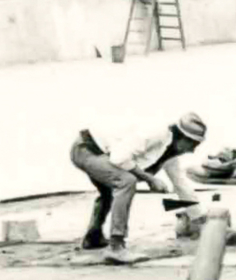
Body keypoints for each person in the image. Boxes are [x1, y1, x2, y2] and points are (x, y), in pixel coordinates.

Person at [70, 112, 207, 263]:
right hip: (86, 148)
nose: (192, 151)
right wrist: (150, 179)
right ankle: (116, 248)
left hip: (99, 152)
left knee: (112, 189)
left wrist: (199, 219)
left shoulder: (169, 151)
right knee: (126, 181)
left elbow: (181, 184)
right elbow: (118, 157)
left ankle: (93, 237)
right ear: (183, 137)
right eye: (193, 144)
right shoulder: (156, 133)